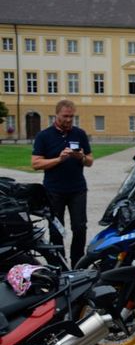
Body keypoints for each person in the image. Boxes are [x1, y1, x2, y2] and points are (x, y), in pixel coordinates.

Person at [31, 99, 93, 265]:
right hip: (54, 190)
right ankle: (59, 263)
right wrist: (59, 159)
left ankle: (78, 262)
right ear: (56, 114)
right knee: (56, 229)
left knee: (80, 227)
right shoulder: (44, 136)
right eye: (65, 116)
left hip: (77, 189)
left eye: (71, 116)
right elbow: (36, 163)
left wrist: (81, 157)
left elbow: (90, 161)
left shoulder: (79, 134)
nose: (69, 120)